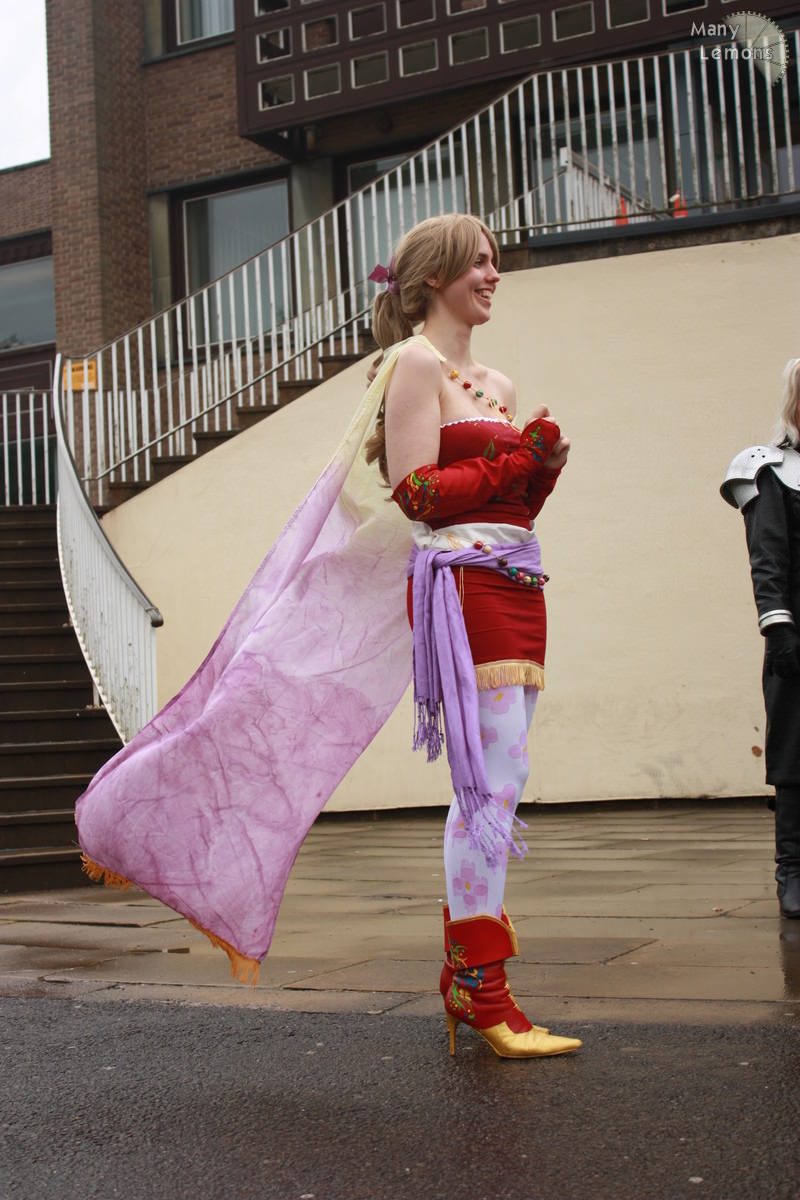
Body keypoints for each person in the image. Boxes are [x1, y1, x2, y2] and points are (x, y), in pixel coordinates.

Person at [364, 214, 581, 1058]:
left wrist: (541, 472)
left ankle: (472, 980)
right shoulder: (413, 363)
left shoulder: (497, 383)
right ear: (433, 278)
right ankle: (480, 988)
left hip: (517, 580)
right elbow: (417, 493)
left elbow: (509, 504)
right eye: (477, 263)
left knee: (505, 776)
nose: (493, 275)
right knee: (488, 786)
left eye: (495, 262)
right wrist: (519, 459)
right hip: (461, 588)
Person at [721, 358, 800, 919]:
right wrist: (779, 626)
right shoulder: (769, 470)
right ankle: (792, 868)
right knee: (795, 749)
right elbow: (767, 557)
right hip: (796, 629)